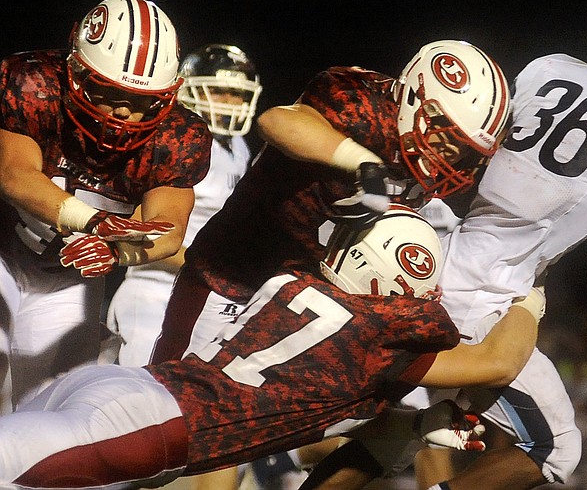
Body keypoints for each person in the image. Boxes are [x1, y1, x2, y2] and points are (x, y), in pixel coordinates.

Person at [297, 21, 587, 490]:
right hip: (484, 299)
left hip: (439, 253)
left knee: (400, 433)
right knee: (555, 448)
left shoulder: (552, 69)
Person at [0, 205, 543, 489]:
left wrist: (412, 429)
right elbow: (498, 363)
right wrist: (529, 298)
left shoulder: (296, 281)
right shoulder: (377, 343)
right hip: (155, 427)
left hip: (130, 393)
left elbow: (309, 404)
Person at [150, 39, 510, 363]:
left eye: (465, 149)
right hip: (233, 278)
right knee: (170, 397)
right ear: (416, 101)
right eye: (447, 136)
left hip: (311, 299)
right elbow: (278, 121)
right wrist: (363, 163)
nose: (451, 154)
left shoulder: (430, 157)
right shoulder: (362, 102)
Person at [0, 0, 212, 411]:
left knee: (46, 413)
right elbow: (15, 176)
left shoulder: (179, 136)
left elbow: (167, 230)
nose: (123, 112)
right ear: (75, 70)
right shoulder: (34, 83)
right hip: (3, 247)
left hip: (68, 276)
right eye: (108, 92)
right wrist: (93, 221)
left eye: (142, 101)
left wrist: (118, 251)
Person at [105, 43, 261, 366]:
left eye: (237, 94)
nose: (230, 103)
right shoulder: (173, 139)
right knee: (138, 394)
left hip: (206, 295)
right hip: (155, 287)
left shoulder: (239, 149)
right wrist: (208, 267)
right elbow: (133, 229)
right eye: (219, 91)